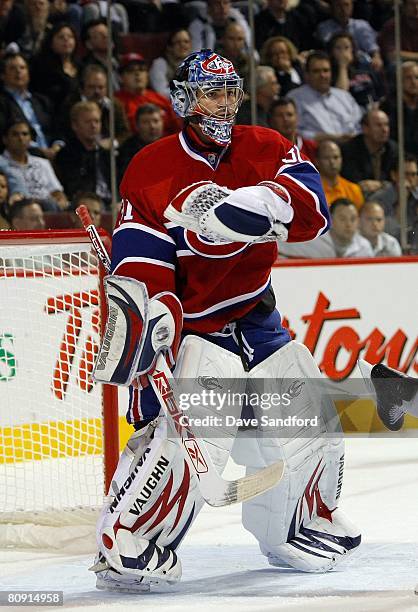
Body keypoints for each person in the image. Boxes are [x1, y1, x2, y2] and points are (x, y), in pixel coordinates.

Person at [89, 49, 361, 593]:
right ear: (186, 100)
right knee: (193, 443)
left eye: (232, 91)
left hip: (256, 314)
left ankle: (298, 525)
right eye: (213, 92)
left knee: (311, 422)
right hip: (199, 327)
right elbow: (141, 259)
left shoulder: (265, 145)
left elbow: (312, 211)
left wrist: (254, 201)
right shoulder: (152, 167)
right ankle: (131, 540)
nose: (226, 103)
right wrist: (158, 315)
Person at [287, 51, 362, 143]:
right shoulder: (295, 98)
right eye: (316, 71)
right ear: (306, 75)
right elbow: (293, 131)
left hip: (352, 147)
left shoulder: (344, 96)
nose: (322, 75)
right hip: (316, 150)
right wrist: (327, 138)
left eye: (326, 70)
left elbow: (360, 124)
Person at [0, 52, 59, 160]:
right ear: (2, 75)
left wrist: (56, 146)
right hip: (21, 158)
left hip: (54, 155)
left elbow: (57, 128)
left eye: (22, 68)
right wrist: (39, 151)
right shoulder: (2, 102)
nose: (18, 72)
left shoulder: (42, 101)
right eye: (12, 68)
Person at [0, 120, 68, 210]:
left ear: (30, 139)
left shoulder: (43, 163)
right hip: (18, 209)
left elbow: (57, 191)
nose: (21, 138)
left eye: (25, 134)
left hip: (49, 208)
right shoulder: (1, 163)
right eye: (15, 134)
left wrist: (61, 201)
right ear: (5, 139)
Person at [54, 100, 111, 206]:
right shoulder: (66, 155)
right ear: (75, 125)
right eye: (88, 122)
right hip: (86, 205)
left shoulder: (107, 154)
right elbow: (74, 189)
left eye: (97, 121)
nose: (93, 126)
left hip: (112, 204)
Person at [59, 63, 130, 149]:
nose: (97, 92)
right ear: (82, 88)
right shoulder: (70, 105)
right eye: (91, 87)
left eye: (101, 87)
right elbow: (64, 133)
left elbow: (125, 133)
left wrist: (112, 142)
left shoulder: (114, 105)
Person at [279, 197, 373, 258]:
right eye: (342, 219)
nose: (348, 224)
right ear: (330, 220)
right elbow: (278, 244)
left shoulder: (364, 247)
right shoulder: (312, 238)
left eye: (353, 219)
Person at [115, 53, 181, 136]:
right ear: (121, 77)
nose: (137, 74)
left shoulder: (160, 99)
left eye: (141, 69)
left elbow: (177, 128)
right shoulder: (116, 102)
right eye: (130, 70)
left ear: (147, 74)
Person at [341, 108, 398, 197]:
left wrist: (380, 185)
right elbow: (352, 180)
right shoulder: (350, 149)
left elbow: (397, 178)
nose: (385, 130)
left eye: (386, 125)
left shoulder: (393, 149)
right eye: (379, 125)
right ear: (365, 128)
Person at [315, 0, 383, 72]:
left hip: (361, 65)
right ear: (332, 8)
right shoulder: (324, 28)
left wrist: (377, 58)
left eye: (346, 5)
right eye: (338, 6)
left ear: (352, 6)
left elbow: (373, 49)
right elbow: (329, 49)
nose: (343, 9)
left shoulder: (362, 26)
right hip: (336, 66)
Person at [30, 22, 80, 114]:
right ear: (51, 42)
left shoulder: (81, 67)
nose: (66, 40)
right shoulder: (42, 67)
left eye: (70, 37)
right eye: (61, 37)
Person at [327, 32, 383, 109]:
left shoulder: (364, 66)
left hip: (372, 107)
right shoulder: (329, 70)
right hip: (349, 109)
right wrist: (342, 67)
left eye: (346, 47)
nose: (343, 52)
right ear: (332, 51)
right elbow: (340, 95)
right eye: (338, 48)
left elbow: (379, 90)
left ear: (352, 49)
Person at [117, 103, 164, 180]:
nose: (152, 126)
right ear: (137, 125)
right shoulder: (127, 149)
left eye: (156, 121)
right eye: (146, 122)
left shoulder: (172, 146)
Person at [381, 61, 418, 158]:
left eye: (416, 77)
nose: (413, 82)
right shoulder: (388, 105)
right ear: (399, 81)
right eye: (408, 78)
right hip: (397, 156)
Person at [316, 139, 364, 208]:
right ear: (317, 161)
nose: (332, 162)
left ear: (341, 159)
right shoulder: (311, 189)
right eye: (326, 158)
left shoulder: (353, 190)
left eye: (336, 157)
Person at [149, 29, 192, 98]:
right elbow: (161, 92)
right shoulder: (160, 64)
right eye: (178, 42)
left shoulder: (195, 64)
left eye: (186, 42)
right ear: (169, 47)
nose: (182, 45)